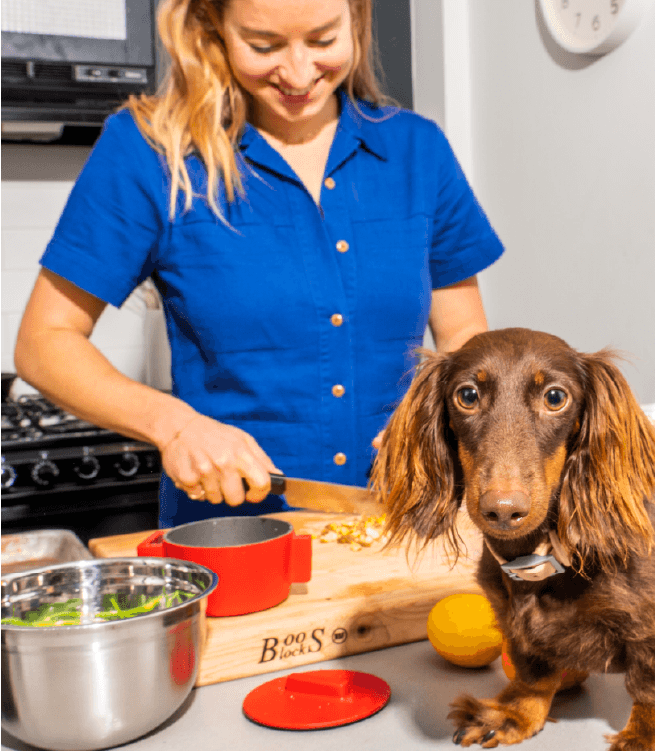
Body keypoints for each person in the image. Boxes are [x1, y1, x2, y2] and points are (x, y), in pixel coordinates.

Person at [13, 0, 503, 528]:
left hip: (406, 521)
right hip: (232, 535)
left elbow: (464, 340)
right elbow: (45, 343)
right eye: (264, 46)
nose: (297, 74)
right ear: (212, 28)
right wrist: (175, 427)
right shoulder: (150, 152)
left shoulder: (417, 150)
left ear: (357, 18)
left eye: (322, 40)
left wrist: (437, 419)